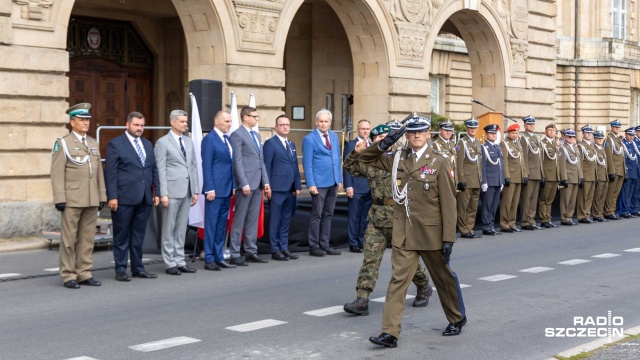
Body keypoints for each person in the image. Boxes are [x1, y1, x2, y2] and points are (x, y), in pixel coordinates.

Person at [360, 116, 466, 348]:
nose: (416, 136)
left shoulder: (440, 161)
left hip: (431, 233)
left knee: (442, 278)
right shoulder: (399, 157)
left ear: (428, 133)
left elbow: (449, 203)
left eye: (421, 132)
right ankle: (389, 333)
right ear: (406, 135)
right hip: (405, 232)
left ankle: (457, 318)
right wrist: (388, 140)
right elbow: (365, 158)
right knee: (398, 281)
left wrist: (449, 238)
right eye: (412, 132)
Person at [342, 124, 432, 316]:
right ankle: (362, 299)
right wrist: (356, 153)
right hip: (376, 216)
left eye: (386, 137)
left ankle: (424, 285)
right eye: (378, 138)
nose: (383, 141)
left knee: (405, 261)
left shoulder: (402, 158)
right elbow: (350, 168)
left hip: (399, 216)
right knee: (370, 260)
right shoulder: (370, 162)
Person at [50, 103, 106, 289]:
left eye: (87, 119)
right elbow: (57, 172)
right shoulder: (63, 143)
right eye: (81, 119)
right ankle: (68, 275)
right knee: (68, 239)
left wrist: (102, 195)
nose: (86, 122)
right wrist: (59, 198)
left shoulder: (92, 143)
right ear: (72, 122)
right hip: (72, 198)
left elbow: (98, 172)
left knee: (87, 238)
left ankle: (84, 272)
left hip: (91, 197)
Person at [105, 112, 159, 282]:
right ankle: (121, 269)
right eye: (136, 125)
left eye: (142, 125)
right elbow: (111, 173)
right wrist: (112, 196)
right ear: (127, 125)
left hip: (144, 197)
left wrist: (156, 192)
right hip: (124, 197)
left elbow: (153, 170)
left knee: (138, 236)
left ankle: (138, 268)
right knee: (121, 236)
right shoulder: (115, 144)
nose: (139, 128)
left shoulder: (148, 144)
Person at [154, 109, 199, 275]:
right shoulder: (162, 142)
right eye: (182, 121)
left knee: (181, 228)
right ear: (172, 122)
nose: (185, 124)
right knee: (169, 228)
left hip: (186, 190)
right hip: (171, 191)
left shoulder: (188, 141)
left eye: (186, 122)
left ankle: (180, 260)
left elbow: (193, 166)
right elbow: (161, 169)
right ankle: (169, 262)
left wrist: (195, 190)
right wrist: (163, 193)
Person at [229, 106, 271, 265]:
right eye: (254, 116)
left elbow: (261, 161)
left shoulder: (256, 135)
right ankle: (234, 252)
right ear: (245, 117)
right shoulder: (237, 135)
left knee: (253, 219)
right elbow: (237, 161)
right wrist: (243, 182)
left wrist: (266, 181)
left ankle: (250, 250)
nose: (257, 119)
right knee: (239, 219)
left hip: (258, 183)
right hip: (246, 184)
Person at [302, 109, 343, 257]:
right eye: (321, 121)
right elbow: (307, 164)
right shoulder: (309, 139)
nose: (323, 124)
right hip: (318, 183)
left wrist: (339, 179)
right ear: (316, 122)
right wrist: (311, 183)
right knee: (317, 215)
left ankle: (325, 244)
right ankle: (314, 245)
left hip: (333, 181)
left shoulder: (333, 136)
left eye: (326, 121)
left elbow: (337, 159)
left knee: (328, 214)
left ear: (330, 123)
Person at [263, 115, 301, 261]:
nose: (285, 127)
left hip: (290, 189)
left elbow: (294, 166)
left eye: (287, 124)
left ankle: (284, 247)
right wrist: (267, 186)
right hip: (277, 188)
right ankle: (275, 249)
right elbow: (267, 166)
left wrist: (297, 185)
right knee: (275, 220)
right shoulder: (270, 144)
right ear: (276, 127)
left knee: (286, 219)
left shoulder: (291, 144)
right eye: (282, 124)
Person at [201, 111, 236, 271]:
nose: (229, 124)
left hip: (227, 189)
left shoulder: (227, 139)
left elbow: (231, 165)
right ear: (217, 122)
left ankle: (218, 256)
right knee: (211, 224)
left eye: (230, 121)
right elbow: (206, 165)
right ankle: (209, 258)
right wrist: (209, 188)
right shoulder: (209, 139)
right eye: (227, 121)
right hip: (214, 190)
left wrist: (233, 186)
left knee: (222, 225)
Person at [343, 119, 372, 253]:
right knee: (354, 217)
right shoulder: (351, 145)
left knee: (365, 217)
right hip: (356, 186)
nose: (365, 131)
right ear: (357, 129)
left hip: (369, 187)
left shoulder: (372, 145)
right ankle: (353, 242)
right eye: (362, 129)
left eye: (367, 129)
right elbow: (347, 166)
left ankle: (362, 241)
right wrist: (348, 186)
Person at [456, 118, 483, 238]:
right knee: (463, 206)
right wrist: (460, 180)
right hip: (467, 180)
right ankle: (464, 229)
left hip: (476, 179)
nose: (473, 130)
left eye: (475, 128)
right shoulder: (462, 142)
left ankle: (470, 227)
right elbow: (459, 162)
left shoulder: (478, 142)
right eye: (470, 127)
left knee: (473, 206)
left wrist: (481, 179)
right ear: (467, 128)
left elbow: (479, 163)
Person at [499, 123, 527, 232]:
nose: (515, 135)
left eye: (516, 133)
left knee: (515, 202)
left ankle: (512, 223)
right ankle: (504, 223)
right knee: (507, 202)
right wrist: (506, 176)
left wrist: (524, 174)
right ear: (508, 133)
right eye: (513, 133)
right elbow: (504, 161)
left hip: (518, 176)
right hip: (510, 176)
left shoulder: (518, 144)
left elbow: (522, 161)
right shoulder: (504, 143)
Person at [519, 116, 544, 230]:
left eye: (533, 124)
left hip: (537, 173)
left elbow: (539, 157)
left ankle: (531, 220)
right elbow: (523, 157)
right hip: (529, 173)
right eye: (529, 124)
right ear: (524, 125)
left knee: (534, 199)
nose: (532, 126)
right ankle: (525, 221)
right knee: (527, 199)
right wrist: (525, 173)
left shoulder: (535, 138)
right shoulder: (524, 138)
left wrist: (541, 173)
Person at [480, 124, 504, 235]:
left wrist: (502, 180)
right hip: (489, 181)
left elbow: (501, 165)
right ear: (486, 135)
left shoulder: (497, 147)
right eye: (491, 133)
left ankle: (491, 225)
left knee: (494, 206)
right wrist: (484, 181)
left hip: (497, 180)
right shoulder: (484, 147)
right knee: (487, 205)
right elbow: (483, 166)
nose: (493, 135)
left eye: (495, 133)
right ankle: (486, 226)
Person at [558, 129, 583, 225]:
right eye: (569, 137)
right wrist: (564, 178)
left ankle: (569, 217)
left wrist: (580, 177)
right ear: (564, 137)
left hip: (575, 177)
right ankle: (564, 218)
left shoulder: (575, 148)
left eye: (573, 137)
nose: (572, 138)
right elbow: (562, 165)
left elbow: (578, 164)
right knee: (566, 199)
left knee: (572, 200)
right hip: (568, 177)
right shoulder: (562, 148)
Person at [538, 123, 560, 228]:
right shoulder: (543, 144)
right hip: (547, 174)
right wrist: (542, 175)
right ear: (545, 132)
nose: (552, 132)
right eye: (550, 130)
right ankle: (543, 219)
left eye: (554, 130)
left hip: (555, 175)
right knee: (544, 199)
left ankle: (548, 217)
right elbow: (541, 160)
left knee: (550, 199)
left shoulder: (556, 144)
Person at [604, 120, 625, 220]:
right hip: (614, 170)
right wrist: (611, 171)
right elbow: (609, 156)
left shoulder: (618, 139)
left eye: (619, 127)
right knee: (611, 192)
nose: (618, 128)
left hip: (620, 170)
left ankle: (612, 210)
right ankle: (608, 211)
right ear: (611, 127)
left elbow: (621, 156)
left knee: (616, 192)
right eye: (616, 127)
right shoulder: (609, 139)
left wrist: (624, 170)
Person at [577, 125, 597, 223]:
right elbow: (580, 162)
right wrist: (580, 176)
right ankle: (582, 216)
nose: (589, 135)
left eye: (590, 133)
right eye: (587, 133)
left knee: (589, 197)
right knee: (583, 197)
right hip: (585, 175)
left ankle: (587, 214)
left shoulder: (591, 146)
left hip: (592, 175)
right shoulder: (581, 146)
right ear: (583, 134)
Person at [620, 127, 639, 218]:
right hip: (628, 171)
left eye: (633, 135)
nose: (632, 137)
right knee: (626, 192)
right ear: (626, 134)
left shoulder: (633, 144)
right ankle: (624, 210)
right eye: (630, 135)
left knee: (631, 192)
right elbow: (623, 159)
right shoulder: (623, 144)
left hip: (634, 171)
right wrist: (625, 172)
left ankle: (629, 210)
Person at [591, 131, 609, 222]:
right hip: (598, 176)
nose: (600, 140)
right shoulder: (594, 149)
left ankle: (600, 213)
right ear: (594, 139)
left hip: (604, 176)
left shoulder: (602, 149)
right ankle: (596, 214)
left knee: (602, 197)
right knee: (597, 197)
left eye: (601, 138)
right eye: (598, 138)